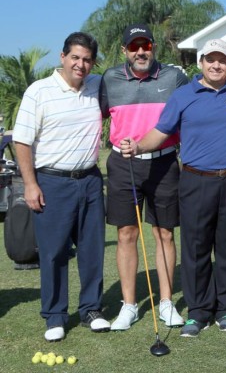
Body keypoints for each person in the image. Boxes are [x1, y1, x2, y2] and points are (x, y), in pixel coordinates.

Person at [120, 39, 226, 337]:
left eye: (222, 60)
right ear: (201, 63)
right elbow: (161, 131)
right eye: (211, 59)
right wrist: (139, 145)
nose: (216, 65)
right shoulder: (183, 95)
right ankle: (198, 312)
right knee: (195, 247)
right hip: (195, 180)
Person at [13, 32, 110, 342]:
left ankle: (91, 309)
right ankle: (54, 315)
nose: (80, 64)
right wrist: (30, 184)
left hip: (91, 179)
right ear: (63, 57)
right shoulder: (39, 91)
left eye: (87, 60)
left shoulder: (97, 86)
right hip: (52, 181)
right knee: (54, 252)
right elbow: (22, 140)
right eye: (75, 57)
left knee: (92, 249)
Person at [99, 23, 188, 330]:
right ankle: (129, 305)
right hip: (124, 165)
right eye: (134, 47)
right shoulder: (109, 79)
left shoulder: (174, 77)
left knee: (164, 233)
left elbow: (202, 95)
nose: (140, 52)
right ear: (125, 50)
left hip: (164, 163)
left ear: (153, 47)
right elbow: (94, 115)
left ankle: (166, 302)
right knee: (126, 234)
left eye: (146, 46)